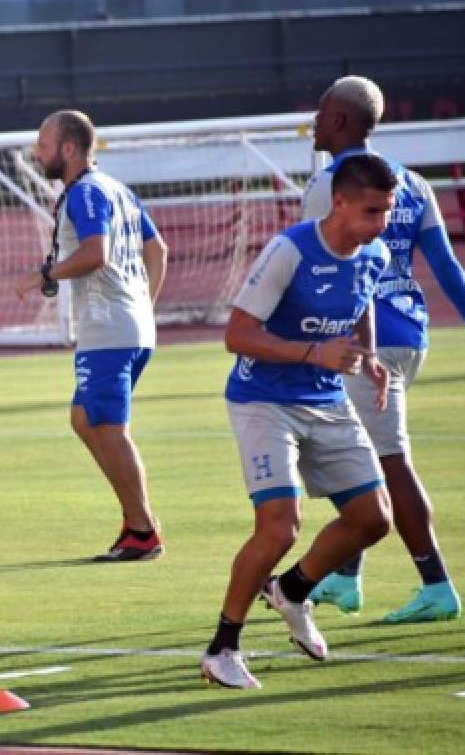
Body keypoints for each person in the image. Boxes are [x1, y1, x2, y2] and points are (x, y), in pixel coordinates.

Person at [200, 153, 397, 690]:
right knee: (280, 527)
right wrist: (314, 352)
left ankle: (290, 590)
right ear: (339, 203)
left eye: (387, 212)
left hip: (328, 400)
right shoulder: (290, 250)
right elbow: (236, 335)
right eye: (371, 211)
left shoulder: (372, 253)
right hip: (263, 399)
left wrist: (370, 355)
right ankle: (221, 649)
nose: (380, 225)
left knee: (374, 519)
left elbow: (361, 303)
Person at [301, 76, 465, 623]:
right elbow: (447, 267)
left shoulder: (332, 184)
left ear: (338, 120)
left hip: (363, 344)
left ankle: (436, 584)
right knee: (359, 460)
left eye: (322, 111)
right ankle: (347, 578)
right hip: (412, 334)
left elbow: (314, 267)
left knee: (385, 464)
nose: (314, 120)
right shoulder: (412, 182)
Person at [14, 110, 168, 561]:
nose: (37, 152)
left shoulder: (83, 192)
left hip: (109, 330)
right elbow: (158, 249)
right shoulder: (117, 188)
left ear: (68, 148)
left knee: (108, 427)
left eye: (43, 144)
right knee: (85, 419)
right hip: (129, 326)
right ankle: (136, 521)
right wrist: (145, 306)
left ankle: (143, 530)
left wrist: (44, 273)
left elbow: (96, 253)